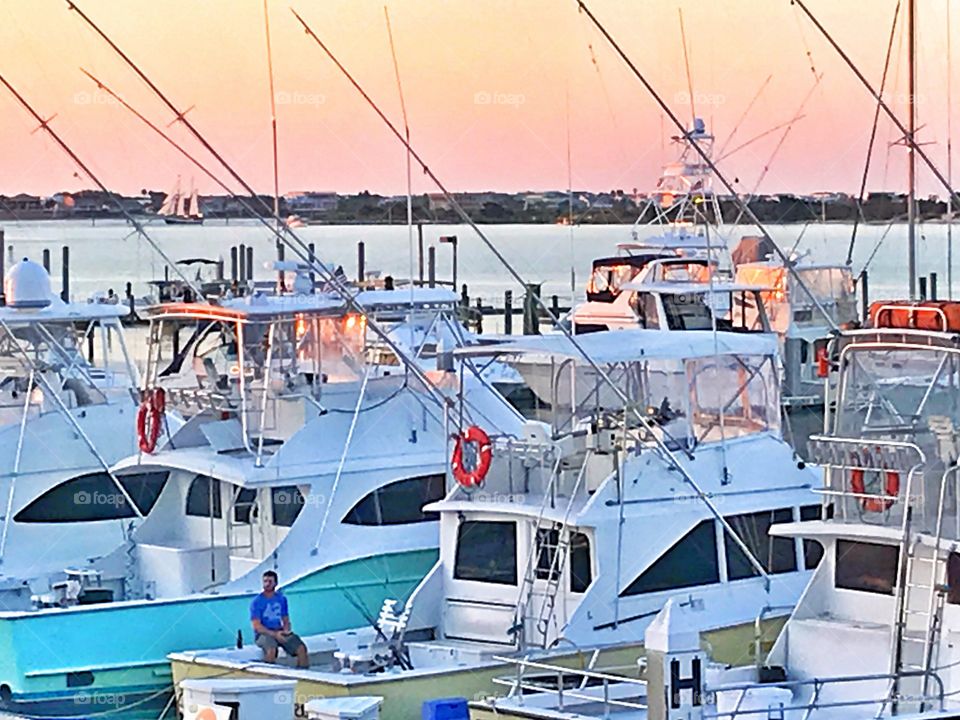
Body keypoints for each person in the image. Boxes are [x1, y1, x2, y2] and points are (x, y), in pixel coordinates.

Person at [250, 570, 309, 667]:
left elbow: (285, 618)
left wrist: (286, 630)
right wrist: (274, 634)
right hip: (264, 634)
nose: (267, 584)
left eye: (270, 581)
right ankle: (268, 676)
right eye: (265, 581)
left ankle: (303, 673)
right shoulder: (257, 601)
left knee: (301, 649)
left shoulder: (281, 599)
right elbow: (256, 626)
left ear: (275, 583)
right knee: (272, 650)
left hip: (279, 631)